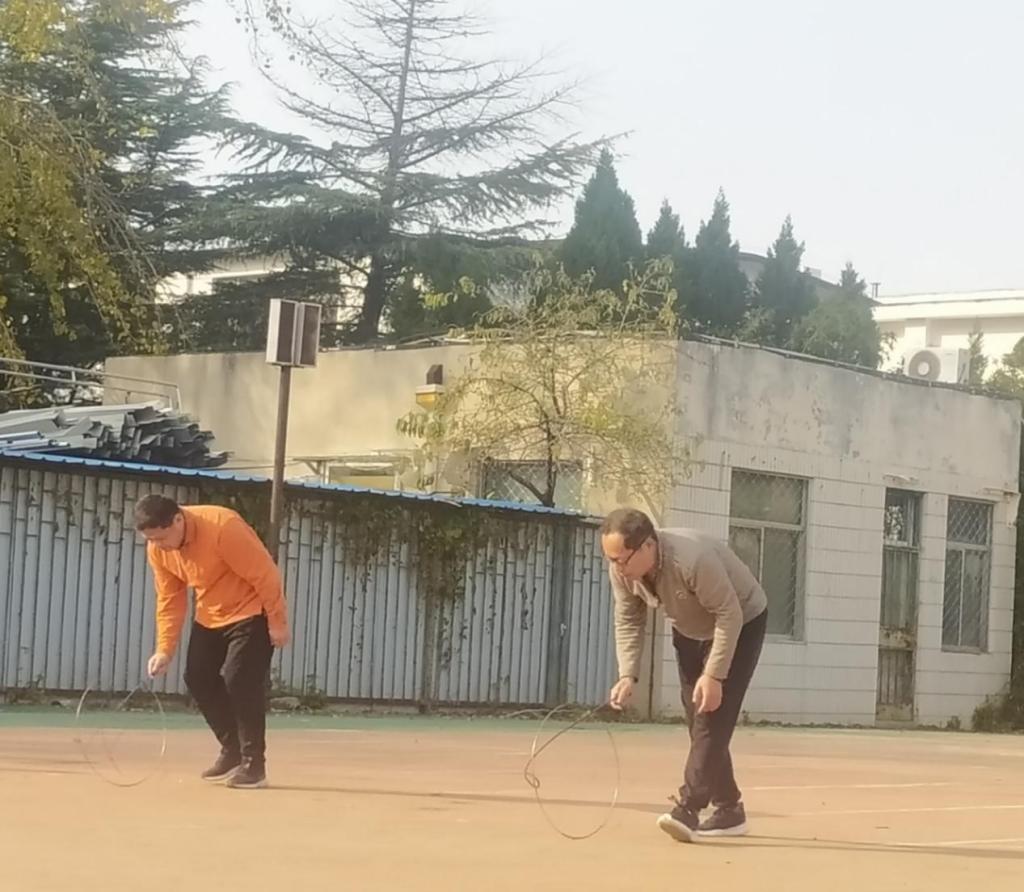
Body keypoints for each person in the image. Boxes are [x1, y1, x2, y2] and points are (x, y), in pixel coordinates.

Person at [600, 507, 768, 843]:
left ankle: (688, 808)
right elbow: (629, 618)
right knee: (697, 718)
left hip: (740, 622)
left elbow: (729, 614)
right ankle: (729, 809)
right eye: (611, 559)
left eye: (622, 559)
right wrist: (628, 674)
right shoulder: (622, 571)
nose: (617, 567)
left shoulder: (692, 559)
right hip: (690, 629)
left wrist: (714, 675)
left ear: (648, 545)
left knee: (712, 717)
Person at [134, 494, 290, 790]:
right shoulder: (158, 549)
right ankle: (232, 749)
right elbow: (170, 598)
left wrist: (278, 622)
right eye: (150, 540)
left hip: (251, 610)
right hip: (211, 614)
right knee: (197, 676)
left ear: (178, 520)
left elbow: (266, 574)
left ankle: (253, 765)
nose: (158, 545)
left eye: (162, 538)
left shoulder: (223, 527)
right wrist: (164, 649)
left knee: (240, 679)